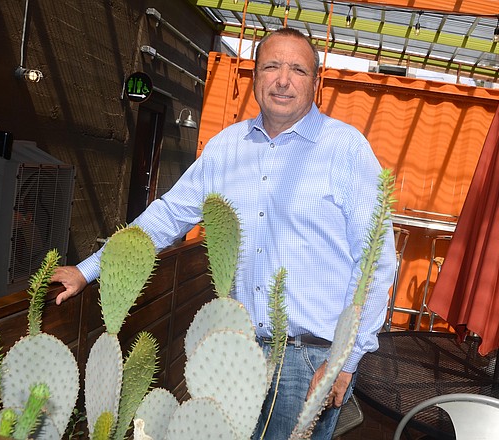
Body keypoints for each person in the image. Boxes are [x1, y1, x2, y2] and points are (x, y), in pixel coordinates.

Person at [51, 27, 395, 440]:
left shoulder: (346, 150)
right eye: (271, 66)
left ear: (316, 82)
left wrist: (346, 359)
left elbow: (376, 260)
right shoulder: (225, 148)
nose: (283, 80)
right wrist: (87, 270)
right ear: (254, 77)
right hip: (238, 354)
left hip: (311, 359)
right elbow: (168, 216)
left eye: (298, 70)